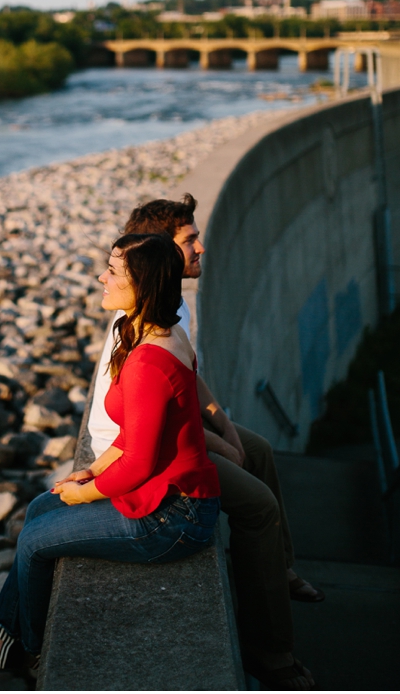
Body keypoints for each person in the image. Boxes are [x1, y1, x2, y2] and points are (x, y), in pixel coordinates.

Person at [0, 232, 221, 674]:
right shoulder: (143, 330)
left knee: (34, 540)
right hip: (164, 496)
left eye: (113, 272)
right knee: (39, 508)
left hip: (176, 516)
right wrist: (90, 472)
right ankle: (1, 636)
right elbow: (132, 435)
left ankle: (27, 652)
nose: (100, 278)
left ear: (142, 286)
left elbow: (140, 462)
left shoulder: (150, 360)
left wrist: (87, 494)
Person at [89, 196, 319, 691]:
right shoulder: (139, 321)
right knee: (257, 507)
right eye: (189, 239)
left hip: (170, 427)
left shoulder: (170, 308)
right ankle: (270, 649)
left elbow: (190, 381)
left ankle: (278, 570)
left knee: (257, 450)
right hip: (140, 443)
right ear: (159, 255)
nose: (201, 247)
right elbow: (149, 424)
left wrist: (229, 433)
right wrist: (217, 444)